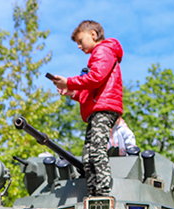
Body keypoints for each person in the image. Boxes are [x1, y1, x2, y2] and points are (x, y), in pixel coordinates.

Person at [49, 20, 124, 198]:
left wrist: (69, 81)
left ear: (93, 35)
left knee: (96, 150)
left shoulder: (104, 50)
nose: (79, 46)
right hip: (96, 110)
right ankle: (93, 193)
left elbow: (96, 78)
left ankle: (103, 193)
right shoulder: (98, 55)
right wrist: (72, 92)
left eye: (80, 41)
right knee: (88, 155)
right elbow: (90, 91)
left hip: (104, 109)